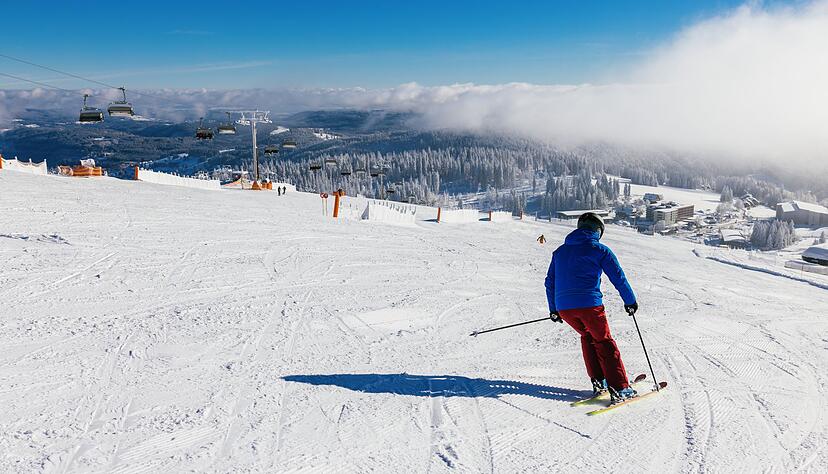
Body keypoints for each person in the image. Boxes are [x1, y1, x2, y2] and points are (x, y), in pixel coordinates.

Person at [544, 212, 639, 403]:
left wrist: (554, 309)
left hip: (565, 308)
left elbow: (550, 282)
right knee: (604, 342)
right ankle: (620, 387)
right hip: (590, 306)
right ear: (598, 230)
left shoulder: (559, 252)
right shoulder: (600, 250)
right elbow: (618, 278)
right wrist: (630, 301)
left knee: (587, 336)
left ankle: (599, 381)